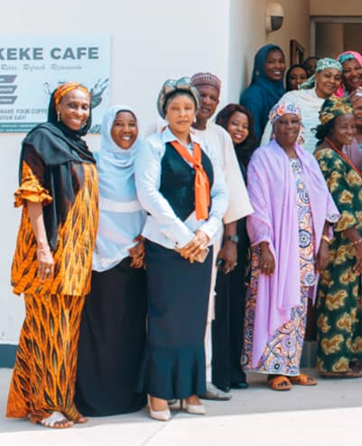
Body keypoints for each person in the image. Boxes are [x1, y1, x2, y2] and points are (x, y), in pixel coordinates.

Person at [135, 78, 229, 420]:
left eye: (188, 107)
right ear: (165, 111)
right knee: (165, 320)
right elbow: (149, 194)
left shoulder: (205, 146)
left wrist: (206, 232)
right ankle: (159, 393)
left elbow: (221, 192)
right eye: (175, 108)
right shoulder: (153, 146)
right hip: (166, 245)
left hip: (200, 245)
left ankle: (189, 390)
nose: (183, 113)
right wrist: (181, 236)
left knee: (193, 321)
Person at [7, 82, 98, 429]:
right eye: (72, 106)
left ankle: (59, 399)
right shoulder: (41, 139)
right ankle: (45, 407)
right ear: (57, 108)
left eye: (85, 107)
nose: (79, 112)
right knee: (50, 330)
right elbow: (33, 196)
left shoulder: (81, 147)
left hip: (77, 258)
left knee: (64, 332)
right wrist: (44, 248)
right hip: (49, 254)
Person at [243, 102, 339, 391]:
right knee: (274, 303)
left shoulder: (307, 159)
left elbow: (325, 204)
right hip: (275, 247)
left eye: (294, 122)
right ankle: (275, 369)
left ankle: (292, 365)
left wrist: (323, 243)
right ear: (273, 126)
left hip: (305, 249)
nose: (289, 127)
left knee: (297, 310)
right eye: (283, 122)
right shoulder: (262, 158)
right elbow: (256, 204)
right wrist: (263, 245)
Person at [75, 105, 148, 417]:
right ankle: (94, 399)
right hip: (100, 259)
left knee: (129, 330)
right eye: (119, 124)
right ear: (107, 129)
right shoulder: (94, 163)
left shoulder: (143, 162)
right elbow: (86, 211)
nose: (127, 130)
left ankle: (128, 397)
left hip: (136, 261)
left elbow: (152, 205)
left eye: (132, 124)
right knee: (99, 332)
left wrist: (144, 241)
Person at [190, 72, 254, 401]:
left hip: (217, 239)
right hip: (180, 239)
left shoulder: (220, 136)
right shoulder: (168, 133)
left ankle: (215, 376)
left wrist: (231, 241)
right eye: (202, 95)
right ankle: (185, 380)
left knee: (218, 309)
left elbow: (230, 190)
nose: (208, 102)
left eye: (214, 97)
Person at [313, 97, 362, 378]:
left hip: (348, 241)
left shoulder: (338, 152)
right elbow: (338, 203)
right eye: (344, 126)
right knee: (337, 299)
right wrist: (357, 244)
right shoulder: (326, 156)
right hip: (341, 243)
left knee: (349, 301)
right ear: (329, 126)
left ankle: (346, 358)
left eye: (352, 126)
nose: (350, 131)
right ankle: (333, 365)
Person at [213, 103, 260, 391]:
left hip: (240, 240)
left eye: (244, 125)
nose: (240, 130)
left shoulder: (247, 158)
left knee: (234, 306)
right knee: (218, 307)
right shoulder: (214, 152)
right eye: (234, 124)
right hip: (219, 238)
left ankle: (233, 371)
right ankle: (218, 373)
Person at [262, 58, 343, 153]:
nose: (332, 81)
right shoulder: (293, 98)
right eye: (327, 76)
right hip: (289, 160)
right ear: (316, 76)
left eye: (337, 78)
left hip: (324, 163)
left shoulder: (340, 106)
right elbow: (271, 128)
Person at [240, 44, 286, 136]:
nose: (278, 66)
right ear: (260, 65)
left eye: (281, 61)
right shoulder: (253, 95)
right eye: (271, 62)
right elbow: (254, 134)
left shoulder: (282, 92)